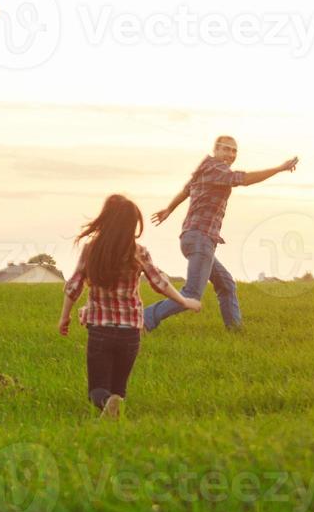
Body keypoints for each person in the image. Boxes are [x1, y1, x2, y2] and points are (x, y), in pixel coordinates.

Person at [59, 195, 202, 419]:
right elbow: (160, 283)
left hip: (100, 330)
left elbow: (73, 286)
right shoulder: (139, 252)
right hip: (131, 332)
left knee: (97, 390)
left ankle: (107, 403)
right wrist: (185, 301)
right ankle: (114, 415)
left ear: (105, 220)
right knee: (119, 390)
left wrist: (64, 317)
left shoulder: (91, 250)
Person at [144, 136, 299, 332]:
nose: (230, 155)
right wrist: (279, 168)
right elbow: (243, 179)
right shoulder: (217, 169)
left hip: (195, 237)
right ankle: (145, 318)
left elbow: (186, 191)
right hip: (200, 238)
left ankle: (235, 331)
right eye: (226, 149)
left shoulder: (204, 168)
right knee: (191, 295)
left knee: (226, 284)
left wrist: (168, 209)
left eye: (234, 151)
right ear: (215, 150)